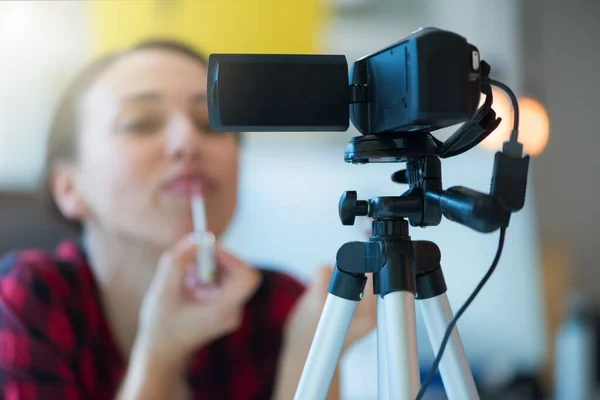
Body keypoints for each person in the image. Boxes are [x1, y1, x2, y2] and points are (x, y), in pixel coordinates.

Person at [0, 40, 377, 399]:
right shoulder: (30, 298)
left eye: (210, 124)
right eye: (140, 123)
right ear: (67, 187)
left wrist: (314, 350)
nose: (187, 141)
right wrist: (160, 355)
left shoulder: (283, 308)